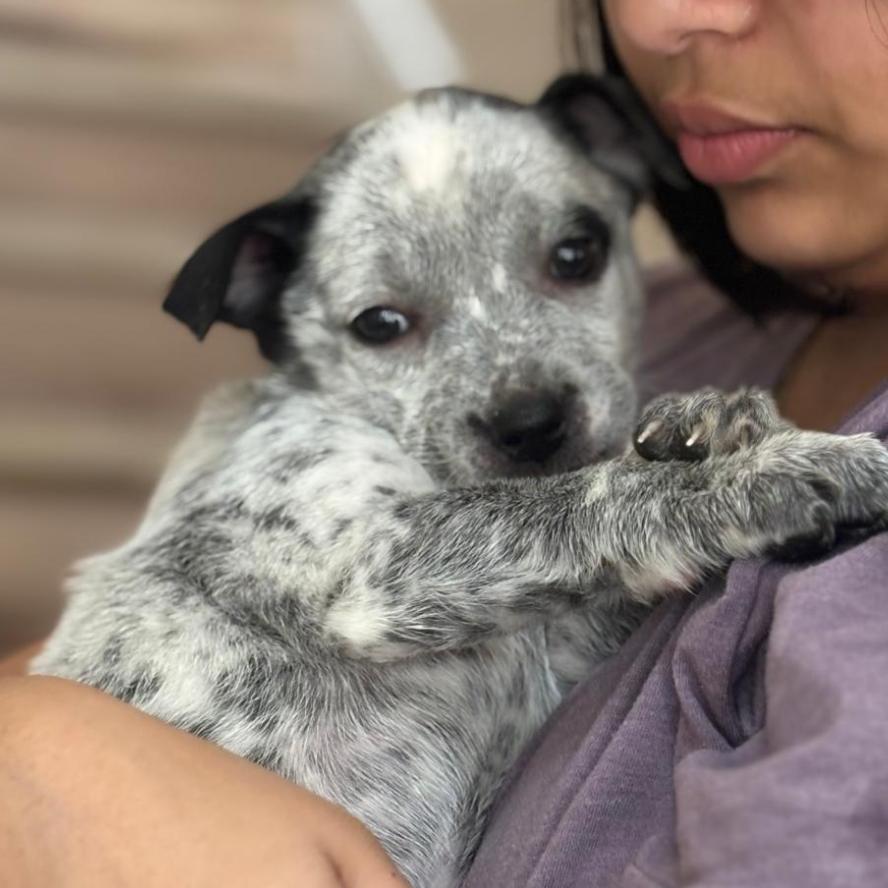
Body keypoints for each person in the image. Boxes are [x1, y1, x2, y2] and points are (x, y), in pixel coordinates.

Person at [2, 1, 887, 884]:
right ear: (288, 321)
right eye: (389, 322)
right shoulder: (300, 443)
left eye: (569, 262)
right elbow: (377, 589)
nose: (518, 394)